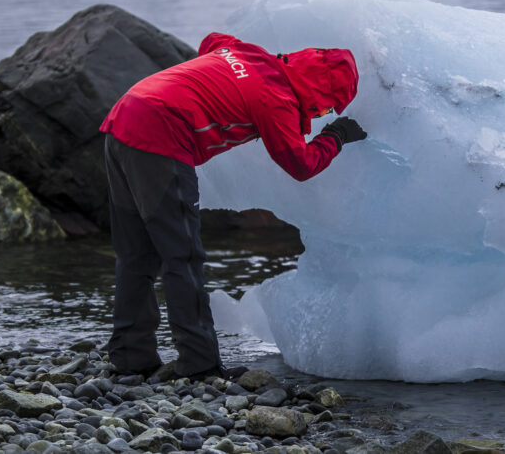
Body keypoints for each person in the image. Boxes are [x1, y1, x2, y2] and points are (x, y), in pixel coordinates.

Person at [99, 32, 366, 379]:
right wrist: (337, 135)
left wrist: (219, 82)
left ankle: (130, 359)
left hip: (123, 119)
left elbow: (212, 41)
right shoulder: (276, 100)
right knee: (183, 256)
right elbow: (301, 165)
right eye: (328, 109)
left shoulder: (249, 53)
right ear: (319, 94)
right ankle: (199, 365)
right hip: (161, 139)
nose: (320, 116)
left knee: (136, 255)